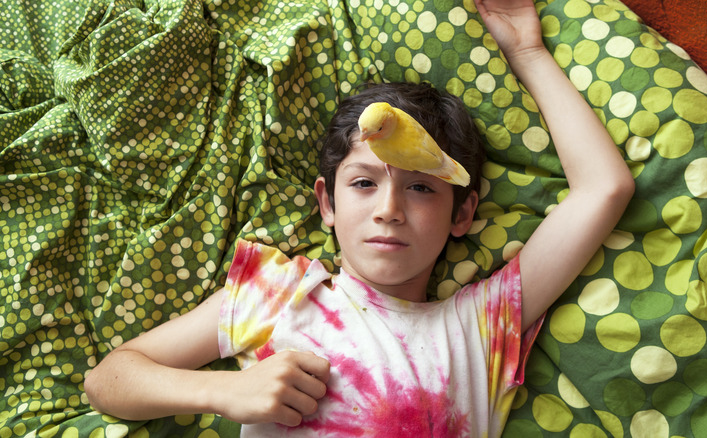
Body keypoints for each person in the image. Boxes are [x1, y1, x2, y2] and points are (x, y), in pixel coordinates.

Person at [84, 0, 635, 436]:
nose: (389, 210)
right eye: (364, 183)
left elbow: (604, 189)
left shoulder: (483, 326)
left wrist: (528, 52)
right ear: (326, 203)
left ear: (462, 213)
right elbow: (108, 380)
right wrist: (225, 392)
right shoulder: (279, 294)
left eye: (420, 187)